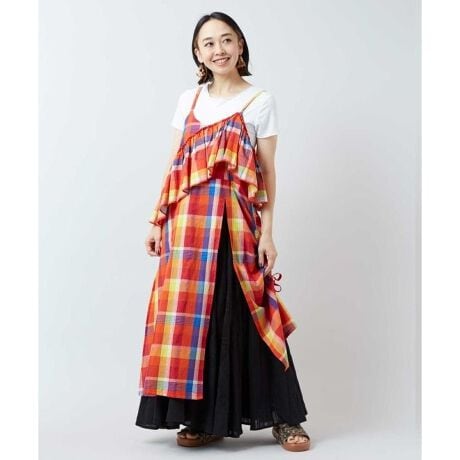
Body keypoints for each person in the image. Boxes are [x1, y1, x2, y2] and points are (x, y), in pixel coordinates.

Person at [135, 11, 311, 452]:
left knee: (251, 310)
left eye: (227, 40)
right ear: (198, 54)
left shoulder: (259, 101)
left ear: (241, 46)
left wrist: (267, 233)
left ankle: (285, 418)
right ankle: (205, 418)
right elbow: (175, 164)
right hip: (187, 228)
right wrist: (157, 219)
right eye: (209, 43)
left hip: (235, 223)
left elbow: (267, 173)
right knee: (193, 319)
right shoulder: (189, 100)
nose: (219, 49)